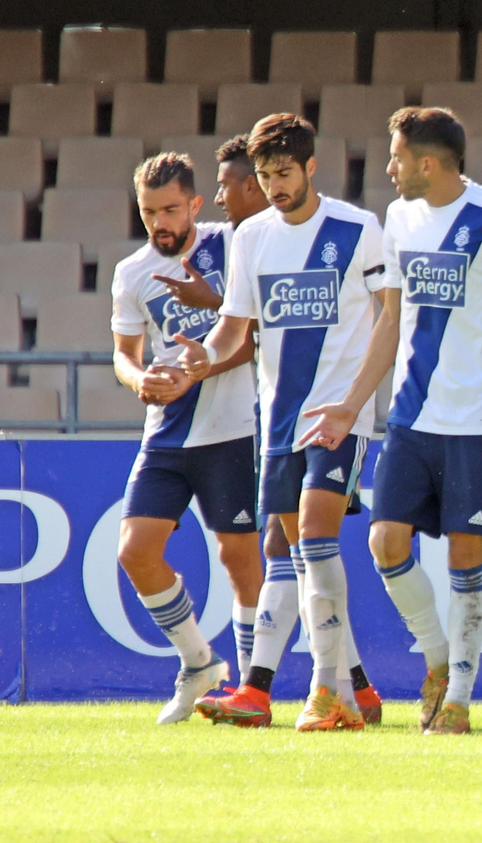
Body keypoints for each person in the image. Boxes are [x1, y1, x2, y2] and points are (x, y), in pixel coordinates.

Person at [295, 107, 482, 735]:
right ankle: (438, 659)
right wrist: (353, 405)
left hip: (478, 419)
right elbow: (390, 321)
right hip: (410, 417)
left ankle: (458, 698)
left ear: (427, 163)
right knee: (385, 542)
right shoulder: (400, 220)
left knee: (467, 553)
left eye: (397, 158)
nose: (388, 169)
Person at [183, 114, 387, 732]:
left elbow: (389, 320)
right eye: (266, 175)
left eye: (284, 173)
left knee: (316, 538)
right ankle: (349, 689)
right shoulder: (252, 239)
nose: (274, 185)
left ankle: (325, 694)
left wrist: (358, 403)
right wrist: (202, 358)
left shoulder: (357, 228)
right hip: (277, 419)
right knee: (294, 555)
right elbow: (235, 327)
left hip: (338, 415)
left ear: (311, 167)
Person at [110, 152, 262, 724]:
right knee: (136, 551)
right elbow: (125, 356)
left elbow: (255, 339)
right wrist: (141, 378)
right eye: (150, 212)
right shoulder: (131, 273)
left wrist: (196, 370)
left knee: (239, 560)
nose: (160, 222)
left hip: (235, 428)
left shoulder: (234, 245)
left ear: (196, 204)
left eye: (171, 209)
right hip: (168, 432)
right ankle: (198, 663)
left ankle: (251, 690)